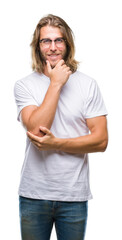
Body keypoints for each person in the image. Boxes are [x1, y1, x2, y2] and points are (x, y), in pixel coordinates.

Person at [14, 14, 108, 240]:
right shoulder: (24, 85)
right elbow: (37, 131)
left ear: (68, 44)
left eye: (59, 40)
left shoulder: (88, 85)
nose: (53, 47)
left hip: (73, 196)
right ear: (38, 46)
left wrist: (56, 143)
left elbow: (101, 141)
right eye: (46, 41)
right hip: (34, 195)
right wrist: (55, 83)